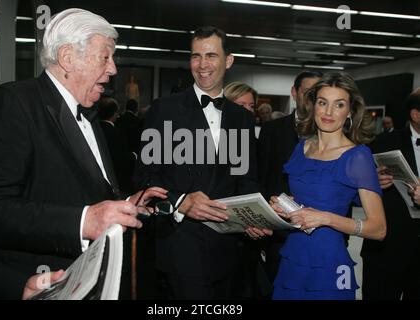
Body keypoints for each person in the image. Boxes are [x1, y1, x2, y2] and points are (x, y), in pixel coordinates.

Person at [0, 8, 166, 299]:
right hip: (36, 283)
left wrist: (124, 204)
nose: (113, 69)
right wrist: (83, 222)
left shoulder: (88, 115)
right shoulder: (12, 104)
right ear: (67, 58)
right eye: (105, 57)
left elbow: (78, 191)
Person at [134, 26, 268, 300]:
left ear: (228, 61)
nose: (202, 65)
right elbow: (144, 178)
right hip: (181, 247)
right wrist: (180, 201)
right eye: (196, 56)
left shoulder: (240, 118)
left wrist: (253, 216)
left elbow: (245, 177)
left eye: (211, 55)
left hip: (232, 250)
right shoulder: (165, 109)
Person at [265, 72, 386, 300]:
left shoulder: (357, 156)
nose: (328, 112)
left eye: (338, 105)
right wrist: (285, 208)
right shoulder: (302, 148)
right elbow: (304, 202)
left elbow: (378, 229)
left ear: (349, 111)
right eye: (322, 103)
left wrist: (326, 218)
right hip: (293, 256)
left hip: (329, 261)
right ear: (313, 106)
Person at [257, 70, 322, 296]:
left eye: (318, 93)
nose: (313, 99)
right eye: (307, 92)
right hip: (280, 234)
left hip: (322, 235)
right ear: (294, 93)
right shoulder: (271, 131)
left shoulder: (334, 133)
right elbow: (261, 180)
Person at [362, 88, 420, 300]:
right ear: (415, 115)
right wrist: (374, 181)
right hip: (387, 250)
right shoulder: (384, 142)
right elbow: (359, 189)